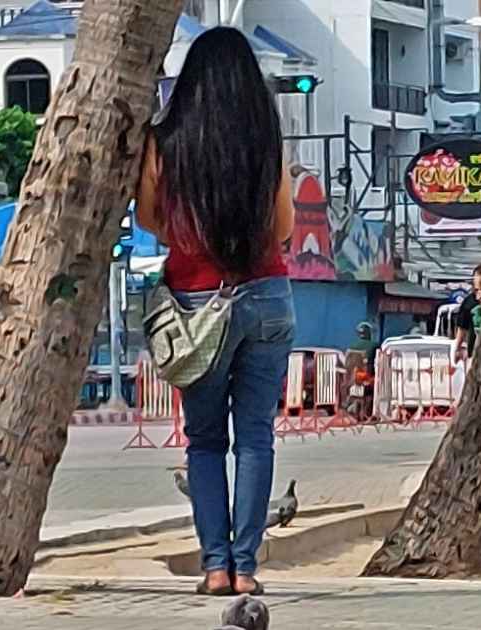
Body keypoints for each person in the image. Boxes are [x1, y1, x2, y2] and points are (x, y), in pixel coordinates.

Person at [135, 27, 295, 598]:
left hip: (194, 303)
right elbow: (283, 229)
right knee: (255, 438)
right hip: (266, 298)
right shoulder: (265, 139)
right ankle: (247, 569)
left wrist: (191, 239)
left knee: (204, 442)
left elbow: (151, 220)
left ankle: (215, 568)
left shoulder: (165, 141)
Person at [455, 262, 481, 359]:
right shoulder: (469, 301)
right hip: (473, 353)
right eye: (477, 276)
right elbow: (462, 327)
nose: (480, 280)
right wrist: (457, 348)